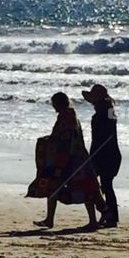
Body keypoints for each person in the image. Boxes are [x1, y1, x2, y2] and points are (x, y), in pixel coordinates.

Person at [26, 92, 100, 229]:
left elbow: (64, 139)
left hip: (68, 159)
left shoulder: (65, 116)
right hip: (77, 157)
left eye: (54, 104)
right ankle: (91, 220)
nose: (53, 107)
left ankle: (52, 220)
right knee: (83, 188)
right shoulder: (71, 115)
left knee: (59, 186)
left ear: (58, 104)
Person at [82, 84, 121, 227]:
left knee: (92, 185)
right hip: (113, 153)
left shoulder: (98, 117)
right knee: (106, 186)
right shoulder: (111, 112)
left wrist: (91, 157)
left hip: (103, 155)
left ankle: (105, 214)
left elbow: (97, 140)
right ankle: (111, 217)